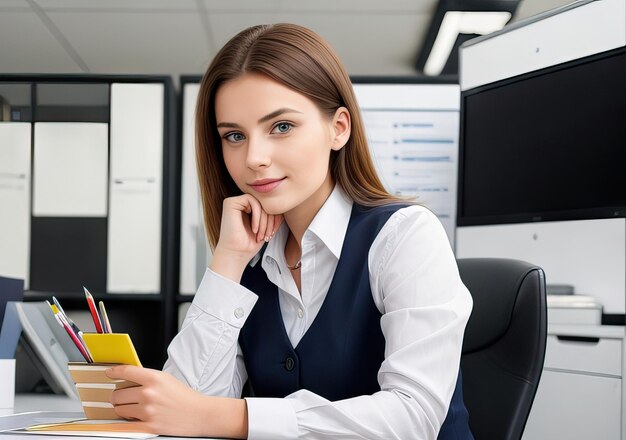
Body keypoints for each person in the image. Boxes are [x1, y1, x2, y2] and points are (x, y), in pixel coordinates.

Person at [106, 23, 474, 440]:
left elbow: (414, 417)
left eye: (281, 126)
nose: (254, 158)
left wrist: (229, 418)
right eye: (234, 136)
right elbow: (183, 408)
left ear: (338, 128)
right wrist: (227, 261)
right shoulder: (251, 261)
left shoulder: (404, 236)